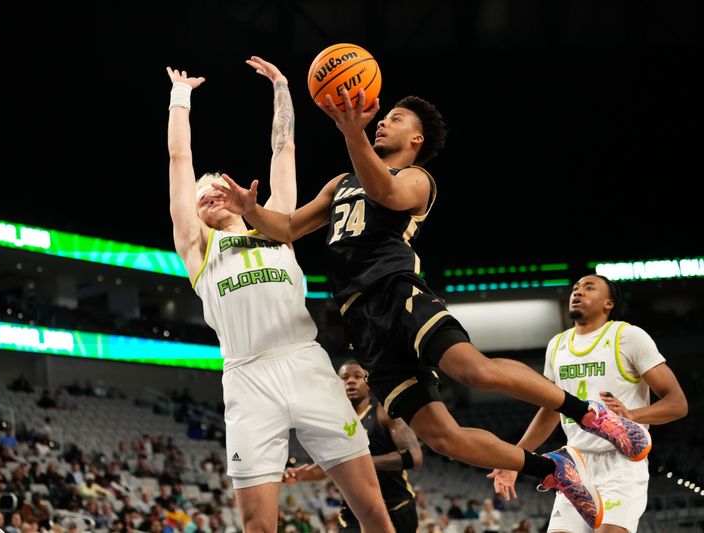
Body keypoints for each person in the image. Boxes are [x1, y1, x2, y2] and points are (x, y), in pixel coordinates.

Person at [211, 86, 653, 529]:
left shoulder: (417, 179)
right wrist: (252, 212)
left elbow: (383, 191)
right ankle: (553, 468)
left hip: (398, 293)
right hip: (361, 322)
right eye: (383, 118)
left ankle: (588, 415)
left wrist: (352, 134)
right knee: (443, 437)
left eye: (396, 119)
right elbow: (287, 227)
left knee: (473, 371)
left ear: (416, 140)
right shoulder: (339, 184)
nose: (383, 121)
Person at [166, 57, 393, 533]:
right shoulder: (198, 249)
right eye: (200, 193)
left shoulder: (276, 229)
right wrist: (180, 98)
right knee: (257, 525)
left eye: (216, 185)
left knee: (370, 506)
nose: (207, 192)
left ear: (234, 192)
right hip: (247, 380)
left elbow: (283, 148)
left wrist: (283, 88)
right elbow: (180, 161)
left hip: (305, 364)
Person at [488, 274, 688, 533]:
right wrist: (515, 460)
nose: (578, 292)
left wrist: (632, 414)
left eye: (589, 288)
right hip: (574, 464)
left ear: (609, 303)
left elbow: (678, 403)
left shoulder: (628, 336)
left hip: (622, 462)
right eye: (575, 288)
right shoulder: (557, 345)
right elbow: (550, 409)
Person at [282, 360, 423, 532]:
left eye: (357, 376)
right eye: (344, 377)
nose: (350, 381)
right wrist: (301, 475)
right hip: (353, 511)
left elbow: (413, 456)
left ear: (368, 383)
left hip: (395, 507)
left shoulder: (384, 413)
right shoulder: (333, 422)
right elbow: (329, 468)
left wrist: (360, 463)